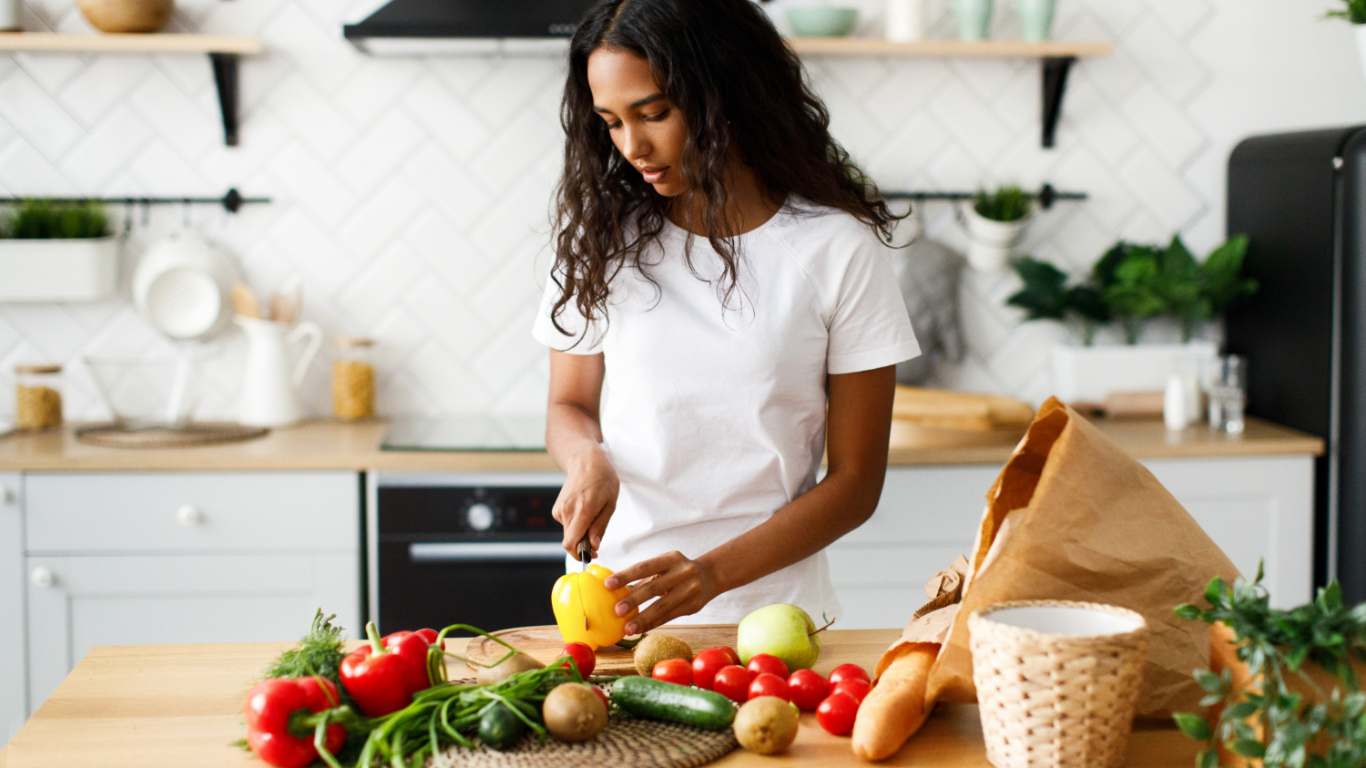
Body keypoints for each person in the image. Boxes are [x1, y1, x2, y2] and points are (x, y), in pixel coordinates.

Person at [532, 0, 920, 636]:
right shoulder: (600, 239)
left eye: (654, 113)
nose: (633, 146)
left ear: (725, 93)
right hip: (619, 612)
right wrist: (585, 458)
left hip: (772, 617)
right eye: (611, 123)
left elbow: (856, 484)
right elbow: (568, 405)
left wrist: (709, 575)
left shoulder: (836, 248)